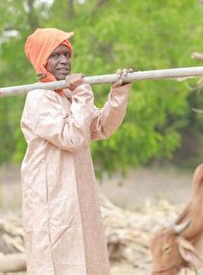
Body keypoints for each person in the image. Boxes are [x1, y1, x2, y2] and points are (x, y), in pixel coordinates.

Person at [20, 28, 132, 275]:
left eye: (66, 54)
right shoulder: (39, 98)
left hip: (79, 197)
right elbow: (71, 137)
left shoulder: (68, 95)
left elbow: (100, 127)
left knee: (88, 260)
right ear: (42, 60)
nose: (64, 61)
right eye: (55, 55)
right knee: (57, 263)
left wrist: (119, 92)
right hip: (52, 200)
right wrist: (82, 92)